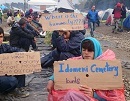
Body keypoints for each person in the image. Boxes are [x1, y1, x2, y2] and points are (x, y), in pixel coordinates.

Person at [47, 37, 125, 101]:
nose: (86, 53)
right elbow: (64, 68)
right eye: (84, 50)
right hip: (78, 97)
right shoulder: (78, 61)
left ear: (96, 51)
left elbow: (114, 97)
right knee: (69, 94)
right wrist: (52, 79)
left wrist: (94, 95)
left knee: (72, 94)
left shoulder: (107, 67)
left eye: (90, 50)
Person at [0, 27, 29, 100]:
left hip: (5, 73)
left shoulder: (4, 47)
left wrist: (25, 54)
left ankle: (18, 88)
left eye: (0, 37)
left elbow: (16, 50)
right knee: (12, 81)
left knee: (20, 66)